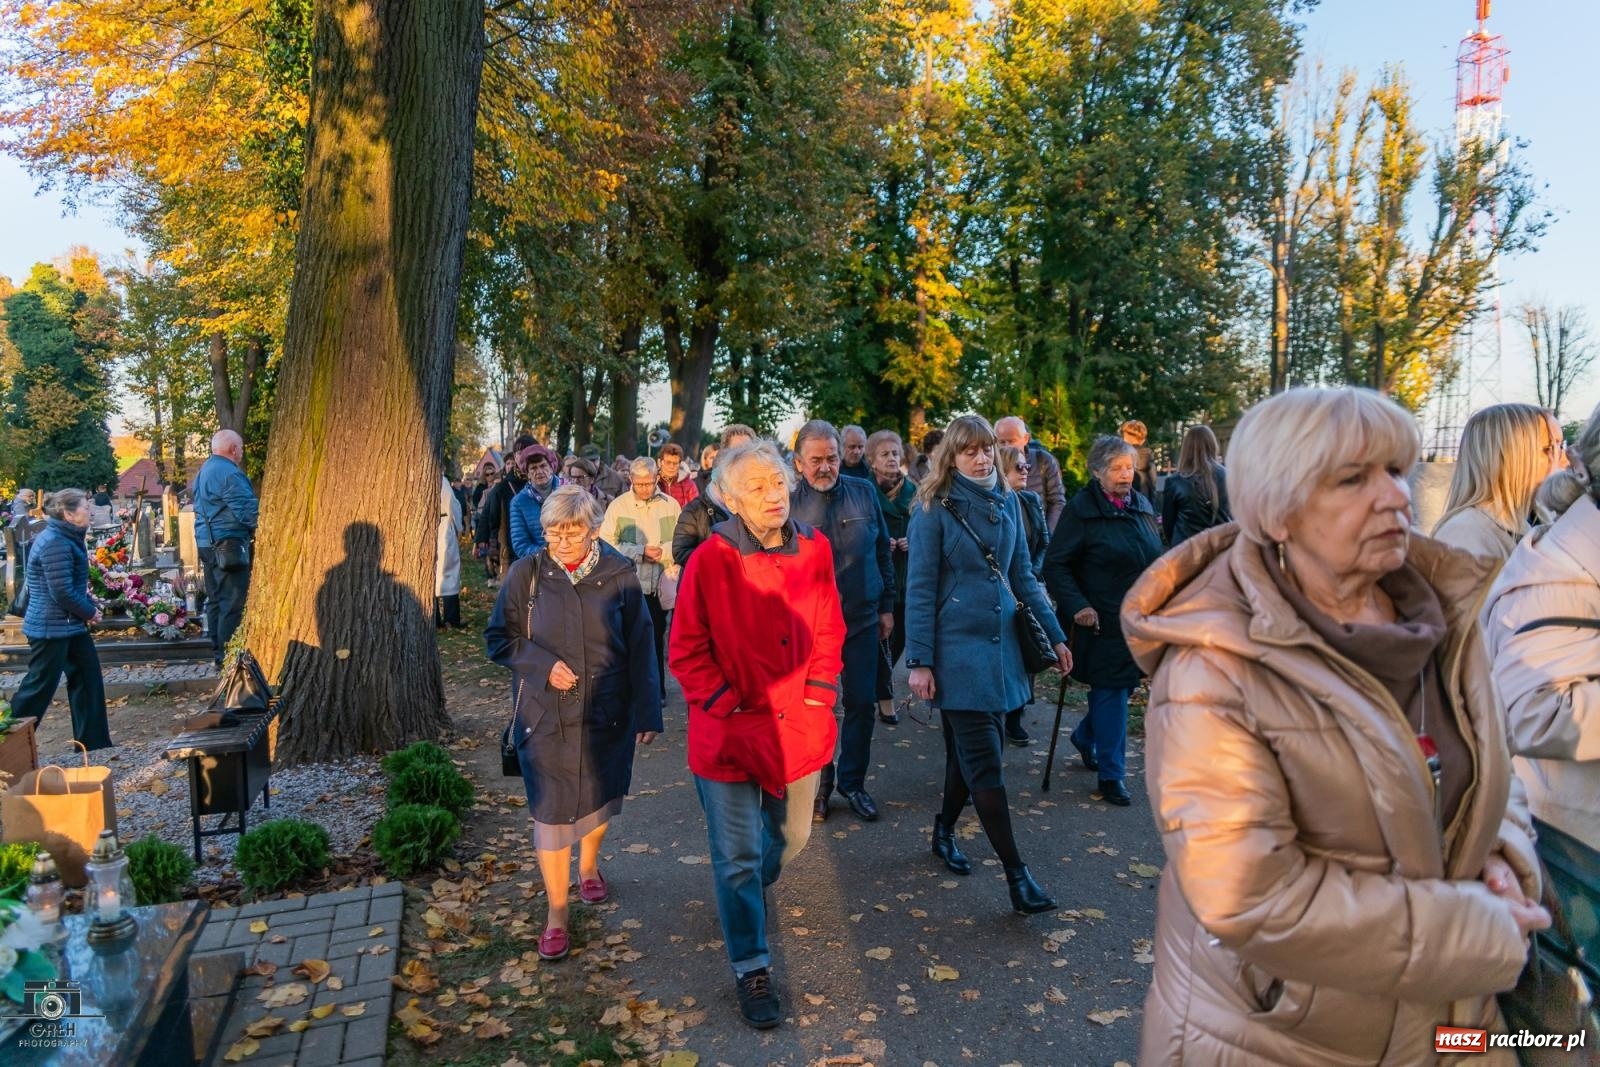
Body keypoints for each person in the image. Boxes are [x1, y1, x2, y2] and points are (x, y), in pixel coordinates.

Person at [1121, 386, 1548, 1065]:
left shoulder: (1440, 616)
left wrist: (1499, 850)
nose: (1396, 497)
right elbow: (1251, 895)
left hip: (1452, 1028)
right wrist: (1476, 935)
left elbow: (1491, 765)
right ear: (1279, 511)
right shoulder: (1214, 667)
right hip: (1286, 1040)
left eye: (1396, 471)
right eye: (1353, 478)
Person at [668, 440, 844, 1030]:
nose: (772, 495)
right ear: (729, 500)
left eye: (777, 482)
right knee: (739, 856)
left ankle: (741, 890)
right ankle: (751, 964)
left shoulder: (815, 548)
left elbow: (828, 625)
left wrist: (819, 692)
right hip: (730, 731)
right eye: (757, 487)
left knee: (789, 839)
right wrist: (726, 703)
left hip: (797, 725)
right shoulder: (709, 561)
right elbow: (686, 651)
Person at [486, 485, 662, 962]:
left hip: (607, 711)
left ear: (595, 528)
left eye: (573, 531)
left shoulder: (619, 574)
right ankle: (557, 914)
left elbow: (643, 645)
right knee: (549, 812)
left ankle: (589, 867)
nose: (562, 541)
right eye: (552, 532)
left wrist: (648, 710)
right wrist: (541, 664)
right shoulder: (527, 574)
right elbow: (498, 639)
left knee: (600, 799)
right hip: (543, 715)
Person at [905, 415, 1071, 914]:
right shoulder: (933, 509)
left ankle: (943, 829)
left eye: (985, 450)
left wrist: (1057, 635)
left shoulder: (1010, 503)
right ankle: (1017, 877)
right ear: (951, 457)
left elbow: (1023, 575)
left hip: (1002, 656)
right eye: (969, 450)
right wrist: (919, 662)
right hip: (956, 655)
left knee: (969, 756)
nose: (980, 458)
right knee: (986, 765)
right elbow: (919, 589)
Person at [1483, 401, 1600, 852]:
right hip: (1569, 847)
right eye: (1545, 446)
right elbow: (1533, 711)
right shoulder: (1555, 571)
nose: (1555, 454)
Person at [1042, 434, 1163, 806]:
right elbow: (1056, 564)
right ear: (1097, 472)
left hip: (1138, 618)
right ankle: (1112, 775)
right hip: (1099, 619)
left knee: (1124, 688)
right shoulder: (1081, 511)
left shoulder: (1140, 504)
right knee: (1112, 690)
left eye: (1129, 467)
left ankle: (1084, 737)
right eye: (1116, 468)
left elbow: (1155, 553)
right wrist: (1078, 604)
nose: (1125, 474)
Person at [789, 420, 895, 823]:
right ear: (799, 463)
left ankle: (853, 783)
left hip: (862, 618)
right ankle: (820, 787)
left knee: (862, 704)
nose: (825, 467)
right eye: (815, 460)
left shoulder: (864, 494)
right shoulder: (789, 506)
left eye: (831, 458)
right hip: (808, 626)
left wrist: (887, 606)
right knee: (815, 708)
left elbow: (882, 554)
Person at [11, 489, 112, 751]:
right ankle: (10, 743)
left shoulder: (67, 535)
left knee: (88, 678)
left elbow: (68, 587)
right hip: (49, 627)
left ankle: (93, 743)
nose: (89, 510)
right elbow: (61, 591)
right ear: (68, 514)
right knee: (38, 688)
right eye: (85, 507)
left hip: (68, 625)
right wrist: (89, 612)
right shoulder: (55, 541)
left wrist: (86, 609)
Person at [1433, 402, 1564, 561]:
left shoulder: (1541, 519)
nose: (1563, 458)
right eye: (1549, 449)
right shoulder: (1465, 536)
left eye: (1560, 446)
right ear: (1509, 458)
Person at [600, 457, 682, 699]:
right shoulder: (618, 507)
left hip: (660, 585)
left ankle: (657, 691)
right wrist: (639, 552)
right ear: (631, 480)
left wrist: (663, 555)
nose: (645, 488)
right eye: (640, 483)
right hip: (631, 585)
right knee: (630, 638)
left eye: (649, 482)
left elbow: (681, 543)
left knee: (655, 638)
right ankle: (632, 690)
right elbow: (606, 544)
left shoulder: (671, 506)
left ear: (657, 478)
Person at [997, 443, 1049, 746]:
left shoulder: (1030, 501)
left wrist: (1033, 572)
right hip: (1002, 586)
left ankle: (1016, 716)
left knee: (1030, 646)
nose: (1026, 470)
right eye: (1018, 466)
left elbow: (1043, 541)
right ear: (1003, 469)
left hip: (1028, 583)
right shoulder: (996, 504)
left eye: (1027, 465)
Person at [194, 428, 259, 664]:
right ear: (233, 449)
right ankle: (230, 659)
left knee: (215, 601)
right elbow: (247, 511)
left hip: (207, 542)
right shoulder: (228, 473)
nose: (241, 452)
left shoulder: (204, 471)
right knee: (232, 603)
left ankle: (218, 652)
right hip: (228, 543)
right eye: (240, 447)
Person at [867, 429, 916, 726]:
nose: (891, 459)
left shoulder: (916, 492)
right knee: (882, 637)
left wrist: (913, 540)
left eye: (895, 453)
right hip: (877, 577)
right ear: (872, 460)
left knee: (901, 639)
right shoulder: (863, 492)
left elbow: (927, 529)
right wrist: (879, 541)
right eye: (884, 454)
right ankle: (885, 698)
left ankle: (877, 685)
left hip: (908, 578)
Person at [673, 424, 756, 567]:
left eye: (748, 452)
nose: (742, 460)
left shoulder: (758, 503)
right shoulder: (695, 510)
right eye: (736, 453)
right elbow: (681, 552)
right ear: (724, 456)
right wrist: (719, 559)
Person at [1160, 425, 1231, 548]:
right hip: (1222, 547)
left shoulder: (1175, 481)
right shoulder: (1227, 475)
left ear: (1186, 448)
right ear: (1213, 445)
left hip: (1186, 549)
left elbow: (1168, 525)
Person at [994, 416, 1066, 531]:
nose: (1007, 446)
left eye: (1012, 441)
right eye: (1002, 442)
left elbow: (1057, 501)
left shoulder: (1042, 460)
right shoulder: (991, 465)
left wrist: (1047, 536)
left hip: (1038, 534)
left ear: (1025, 439)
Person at [510, 444, 562, 561]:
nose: (539, 471)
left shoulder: (568, 492)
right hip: (541, 565)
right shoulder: (519, 502)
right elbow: (520, 545)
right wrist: (548, 555)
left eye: (543, 466)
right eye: (533, 468)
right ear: (527, 473)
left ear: (551, 467)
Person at [436, 474, 463, 629]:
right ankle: (451, 619)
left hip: (433, 526)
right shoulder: (442, 481)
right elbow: (452, 504)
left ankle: (434, 619)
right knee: (449, 572)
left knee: (434, 572)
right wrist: (458, 527)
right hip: (444, 527)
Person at [1118, 419, 1158, 504]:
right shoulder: (1149, 457)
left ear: (1125, 437)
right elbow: (1154, 483)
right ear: (1143, 439)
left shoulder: (1120, 457)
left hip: (1126, 506)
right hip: (1147, 505)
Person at [656, 443, 700, 508]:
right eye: (668, 462)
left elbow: (696, 509)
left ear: (680, 464)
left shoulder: (689, 485)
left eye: (675, 463)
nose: (671, 466)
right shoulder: (653, 482)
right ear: (660, 462)